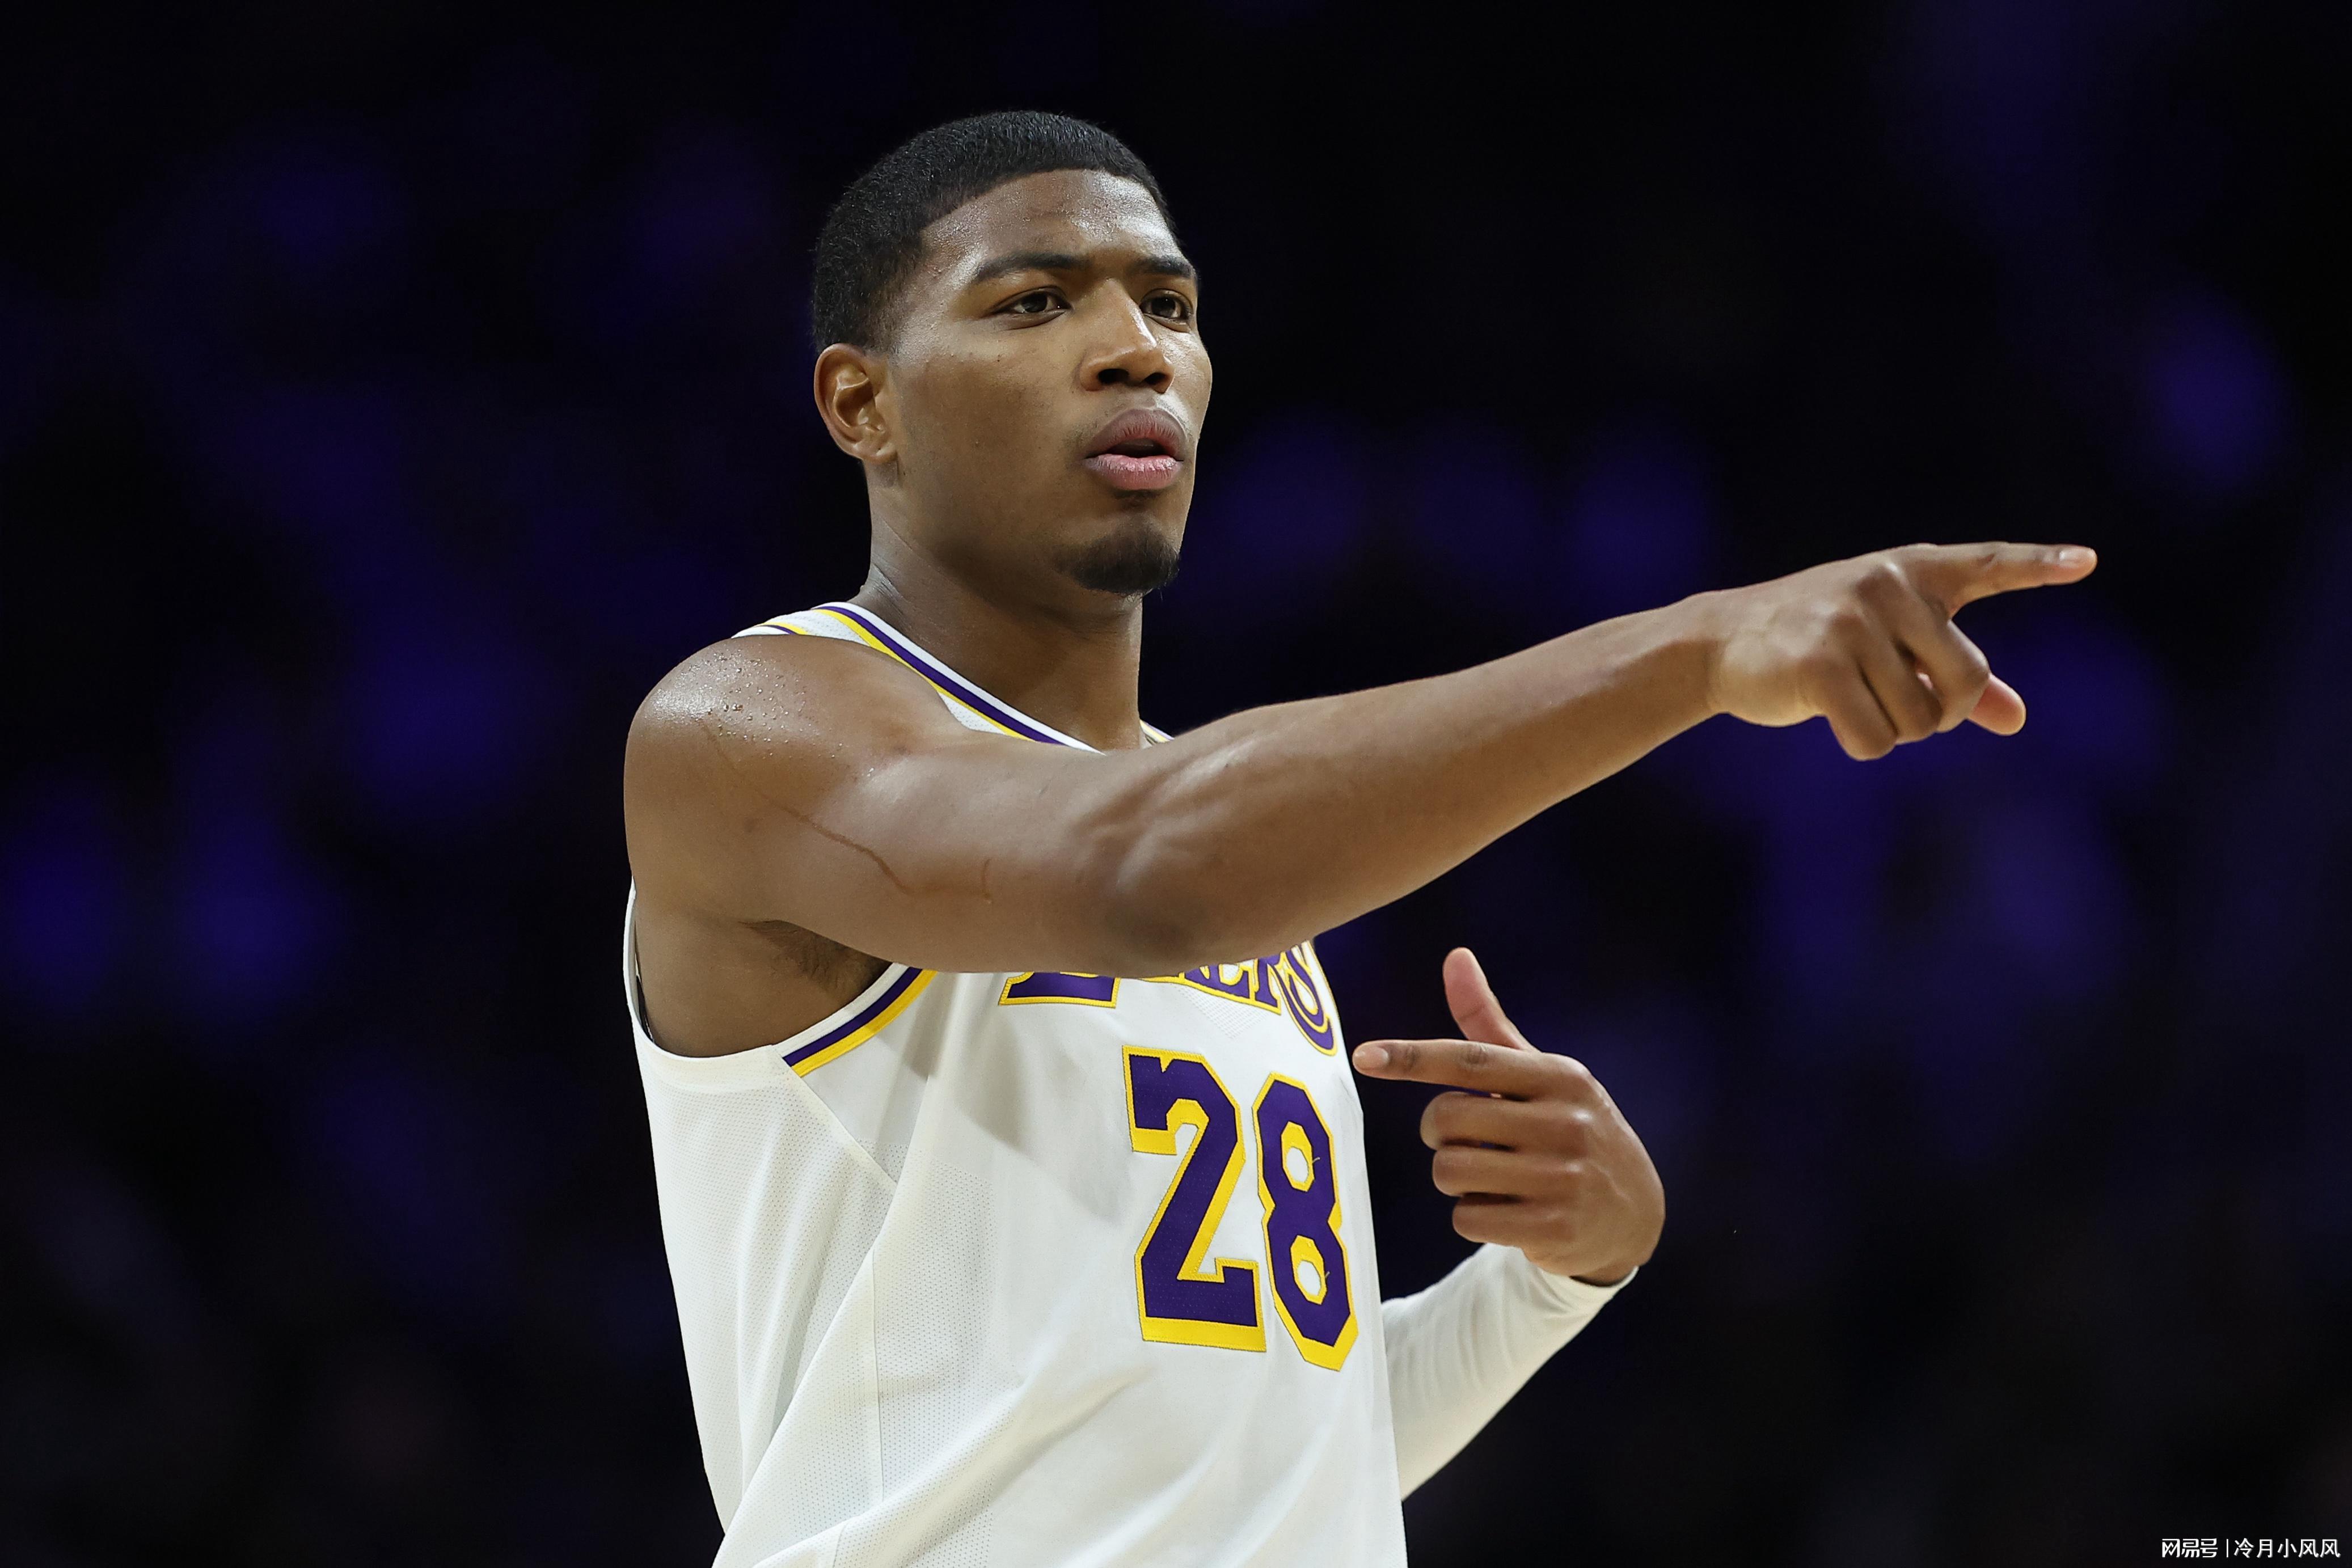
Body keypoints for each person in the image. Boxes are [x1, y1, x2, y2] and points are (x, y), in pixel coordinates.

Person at [621, 111, 2095, 1566]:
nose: (1136, 348)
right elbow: (1147, 872)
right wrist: (1698, 651)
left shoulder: (1229, 848)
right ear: (861, 404)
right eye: (1034, 303)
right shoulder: (745, 729)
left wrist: (1554, 1276)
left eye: (1170, 305)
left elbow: (1277, 1447)